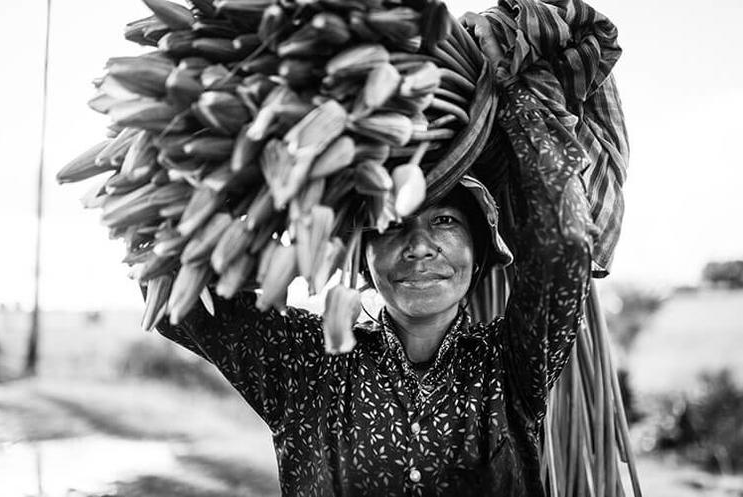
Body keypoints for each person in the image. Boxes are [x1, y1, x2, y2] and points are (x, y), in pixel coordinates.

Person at [152, 11, 598, 497]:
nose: (421, 246)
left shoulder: (511, 366)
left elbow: (567, 245)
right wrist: (248, 166)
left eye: (445, 221)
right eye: (391, 225)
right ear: (362, 253)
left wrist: (511, 93)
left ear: (481, 250)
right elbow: (179, 296)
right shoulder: (308, 363)